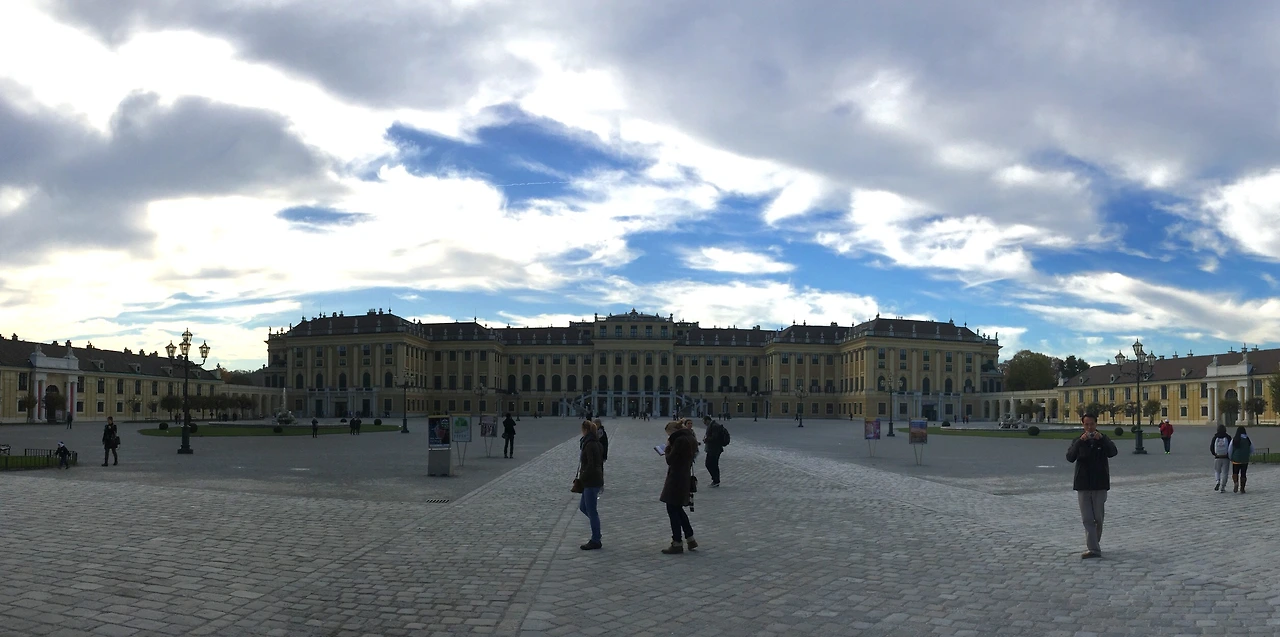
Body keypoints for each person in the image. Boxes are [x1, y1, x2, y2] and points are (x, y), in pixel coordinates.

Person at [1066, 412, 1117, 559]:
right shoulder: (1078, 440)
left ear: (1096, 424)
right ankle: (1094, 549)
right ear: (1083, 425)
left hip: (1100, 483)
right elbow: (1070, 457)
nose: (1089, 427)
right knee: (1087, 518)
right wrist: (1079, 442)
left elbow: (1113, 452)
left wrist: (1103, 440)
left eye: (1092, 424)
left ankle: (1095, 542)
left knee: (1098, 519)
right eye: (1086, 424)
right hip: (1083, 484)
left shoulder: (1103, 439)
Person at [660, 420, 698, 554]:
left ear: (673, 431)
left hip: (676, 478)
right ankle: (690, 538)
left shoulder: (679, 440)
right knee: (677, 509)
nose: (668, 436)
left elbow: (670, 460)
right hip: (684, 476)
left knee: (672, 509)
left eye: (669, 434)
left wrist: (667, 448)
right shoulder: (690, 438)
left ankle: (677, 542)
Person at [577, 420, 605, 550]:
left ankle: (596, 539)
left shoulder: (590, 444)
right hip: (593, 480)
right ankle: (596, 529)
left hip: (591, 481)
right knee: (583, 507)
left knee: (591, 510)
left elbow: (591, 465)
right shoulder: (596, 443)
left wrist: (582, 478)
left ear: (586, 430)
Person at [703, 418, 728, 487]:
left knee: (710, 464)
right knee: (712, 464)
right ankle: (715, 480)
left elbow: (715, 437)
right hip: (714, 448)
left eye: (704, 422)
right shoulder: (713, 425)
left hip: (714, 449)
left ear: (707, 420)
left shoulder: (714, 426)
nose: (704, 424)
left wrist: (706, 439)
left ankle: (716, 480)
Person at [1228, 426, 1252, 493]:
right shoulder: (1247, 439)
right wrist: (1247, 454)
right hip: (1245, 460)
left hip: (1236, 459)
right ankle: (1242, 488)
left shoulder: (1235, 439)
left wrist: (1230, 457)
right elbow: (1252, 449)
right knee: (1243, 473)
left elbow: (1230, 449)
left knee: (1235, 472)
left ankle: (1236, 483)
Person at [1210, 424, 1231, 492]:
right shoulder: (1228, 437)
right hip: (1225, 457)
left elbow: (1211, 447)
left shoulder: (1215, 437)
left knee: (1217, 471)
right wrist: (1229, 455)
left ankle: (1217, 481)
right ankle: (1223, 487)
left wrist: (1214, 454)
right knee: (1225, 473)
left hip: (1217, 457)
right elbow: (1231, 447)